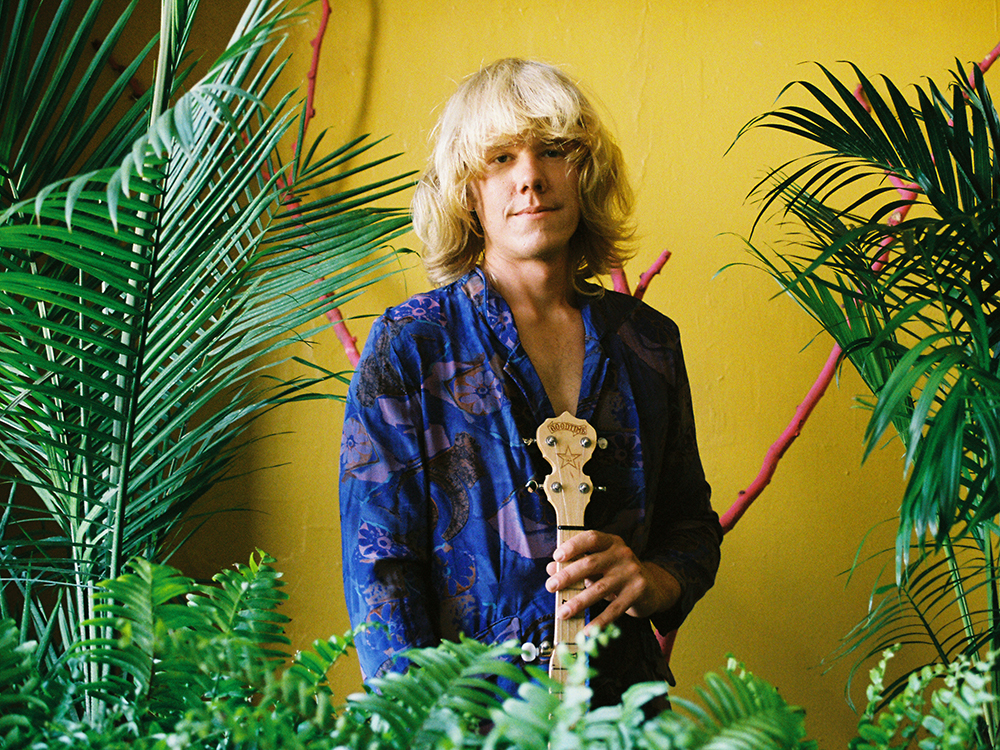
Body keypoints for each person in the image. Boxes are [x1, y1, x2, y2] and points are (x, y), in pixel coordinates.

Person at [339, 58, 721, 706]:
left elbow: (691, 522)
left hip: (625, 719)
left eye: (553, 150)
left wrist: (656, 580)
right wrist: (422, 727)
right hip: (469, 722)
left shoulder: (648, 342)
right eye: (500, 158)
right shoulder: (410, 347)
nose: (530, 178)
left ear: (585, 170)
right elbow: (382, 572)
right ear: (468, 190)